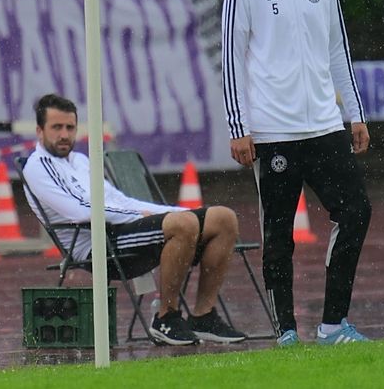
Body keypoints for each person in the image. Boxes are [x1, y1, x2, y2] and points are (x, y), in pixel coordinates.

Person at [221, 0, 372, 347]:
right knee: (278, 235)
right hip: (273, 131)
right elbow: (231, 57)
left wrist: (355, 114)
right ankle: (285, 331)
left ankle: (332, 325)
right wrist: (239, 127)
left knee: (356, 211)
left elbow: (336, 48)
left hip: (324, 125)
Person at [22, 94, 246, 346]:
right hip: (98, 245)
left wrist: (180, 211)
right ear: (39, 131)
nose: (64, 134)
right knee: (183, 225)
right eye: (56, 127)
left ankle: (203, 316)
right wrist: (145, 216)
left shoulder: (80, 161)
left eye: (70, 127)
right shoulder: (38, 166)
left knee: (223, 218)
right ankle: (166, 317)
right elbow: (80, 211)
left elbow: (121, 201)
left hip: (123, 229)